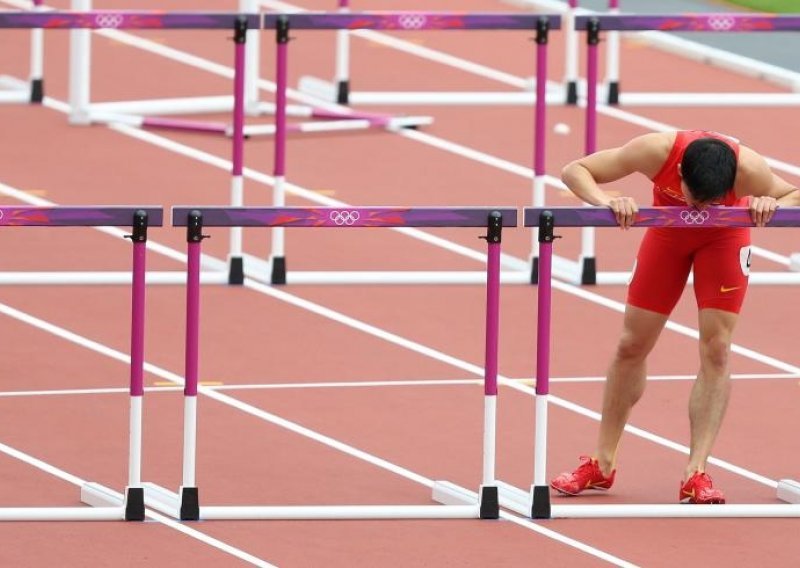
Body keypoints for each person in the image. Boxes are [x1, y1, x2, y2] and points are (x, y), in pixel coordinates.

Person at [550, 130, 799, 504]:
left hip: (723, 239)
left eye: (709, 201)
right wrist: (605, 200)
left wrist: (772, 203)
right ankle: (602, 464)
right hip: (668, 237)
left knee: (717, 349)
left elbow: (793, 193)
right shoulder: (657, 150)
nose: (699, 207)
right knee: (631, 344)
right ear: (679, 170)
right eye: (692, 196)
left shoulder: (748, 168)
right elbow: (576, 170)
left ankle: (695, 473)